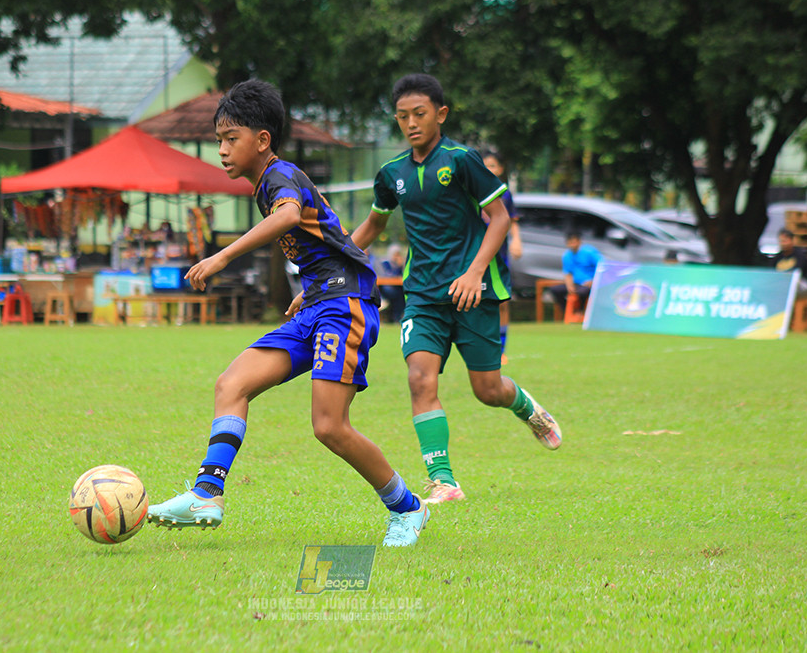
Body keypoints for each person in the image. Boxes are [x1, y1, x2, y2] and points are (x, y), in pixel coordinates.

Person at [146, 80, 429, 547]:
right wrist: (309, 287)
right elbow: (326, 239)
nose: (221, 149)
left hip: (345, 307)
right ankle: (206, 493)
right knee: (231, 384)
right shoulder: (267, 183)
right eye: (218, 139)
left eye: (230, 138)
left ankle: (408, 508)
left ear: (262, 140)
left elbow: (289, 217)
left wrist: (222, 256)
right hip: (320, 301)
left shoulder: (280, 176)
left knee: (329, 426)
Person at [350, 73, 562, 506]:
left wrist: (474, 271)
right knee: (419, 379)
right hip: (423, 296)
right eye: (403, 117)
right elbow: (373, 225)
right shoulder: (392, 174)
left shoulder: (462, 160)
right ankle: (443, 481)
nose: (411, 123)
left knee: (488, 390)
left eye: (420, 114)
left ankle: (526, 408)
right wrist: (326, 268)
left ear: (440, 114)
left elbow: (500, 218)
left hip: (474, 292)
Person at [481, 150, 522, 365]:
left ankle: (502, 348)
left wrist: (517, 240)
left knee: (501, 302)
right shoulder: (472, 191)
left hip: (500, 258)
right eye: (485, 166)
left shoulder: (504, 194)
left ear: (501, 169)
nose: (489, 170)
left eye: (493, 166)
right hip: (476, 257)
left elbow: (512, 221)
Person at [548, 231, 602, 317]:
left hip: (590, 284)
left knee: (582, 292)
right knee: (555, 290)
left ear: (579, 241)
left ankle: (579, 312)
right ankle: (567, 312)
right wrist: (569, 286)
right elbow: (568, 273)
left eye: (574, 242)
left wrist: (593, 281)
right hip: (576, 284)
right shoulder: (567, 255)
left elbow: (602, 266)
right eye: (570, 243)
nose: (572, 245)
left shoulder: (589, 252)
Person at [772, 228, 807, 297]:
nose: (783, 244)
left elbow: (797, 272)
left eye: (785, 241)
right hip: (781, 283)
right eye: (781, 241)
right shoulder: (778, 257)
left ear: (791, 240)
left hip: (800, 283)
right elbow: (772, 271)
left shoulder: (800, 255)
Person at [379, 244, 407, 323]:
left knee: (401, 294)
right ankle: (395, 317)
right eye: (395, 254)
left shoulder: (400, 263)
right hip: (384, 289)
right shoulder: (385, 263)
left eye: (398, 254)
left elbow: (402, 276)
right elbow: (387, 275)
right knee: (397, 295)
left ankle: (397, 317)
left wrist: (400, 266)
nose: (396, 256)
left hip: (397, 288)